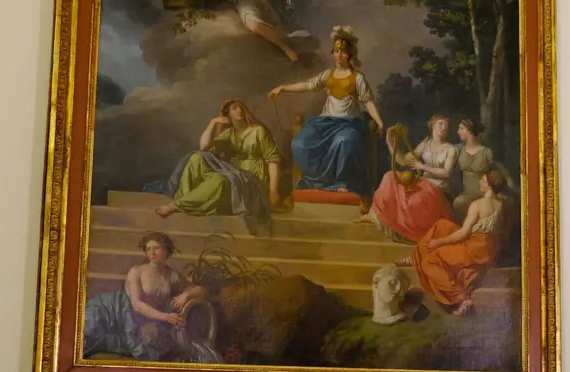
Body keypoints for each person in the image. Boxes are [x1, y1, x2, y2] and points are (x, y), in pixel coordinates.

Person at [269, 26, 384, 200]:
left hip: (349, 123)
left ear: (350, 54)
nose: (339, 55)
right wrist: (282, 88)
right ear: (332, 53)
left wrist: (379, 121)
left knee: (345, 141)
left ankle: (343, 182)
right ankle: (314, 181)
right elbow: (308, 85)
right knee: (299, 143)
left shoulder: (357, 78)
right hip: (325, 123)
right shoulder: (327, 75)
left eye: (343, 51)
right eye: (336, 51)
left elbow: (367, 101)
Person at [83, 232, 218, 364]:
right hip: (115, 311)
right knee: (91, 331)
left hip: (150, 316)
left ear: (166, 251)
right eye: (148, 249)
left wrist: (186, 295)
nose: (151, 253)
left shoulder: (172, 275)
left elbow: (202, 291)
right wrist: (166, 317)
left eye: (156, 248)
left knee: (153, 337)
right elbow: (137, 305)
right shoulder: (136, 271)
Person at [153, 99, 281, 233]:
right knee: (197, 157)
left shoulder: (258, 131)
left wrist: (273, 191)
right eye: (234, 108)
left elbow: (273, 160)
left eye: (241, 107)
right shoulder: (229, 133)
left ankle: (177, 205)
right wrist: (213, 122)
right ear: (227, 115)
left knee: (220, 180)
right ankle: (187, 197)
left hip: (253, 181)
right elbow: (204, 147)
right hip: (235, 175)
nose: (239, 110)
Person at [399, 170, 507, 316]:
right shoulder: (500, 205)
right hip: (488, 247)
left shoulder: (478, 204)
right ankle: (415, 257)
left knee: (429, 262)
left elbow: (463, 233)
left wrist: (439, 242)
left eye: (483, 180)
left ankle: (462, 299)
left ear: (489, 184)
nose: (480, 182)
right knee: (442, 225)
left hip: (474, 249)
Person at [360, 116, 456, 243]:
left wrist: (422, 166)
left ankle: (405, 231)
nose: (444, 128)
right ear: (432, 125)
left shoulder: (450, 149)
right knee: (389, 177)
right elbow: (403, 161)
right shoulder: (425, 144)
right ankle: (377, 215)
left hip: (438, 188)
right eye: (440, 124)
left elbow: (447, 173)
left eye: (446, 126)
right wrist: (390, 142)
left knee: (415, 200)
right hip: (423, 183)